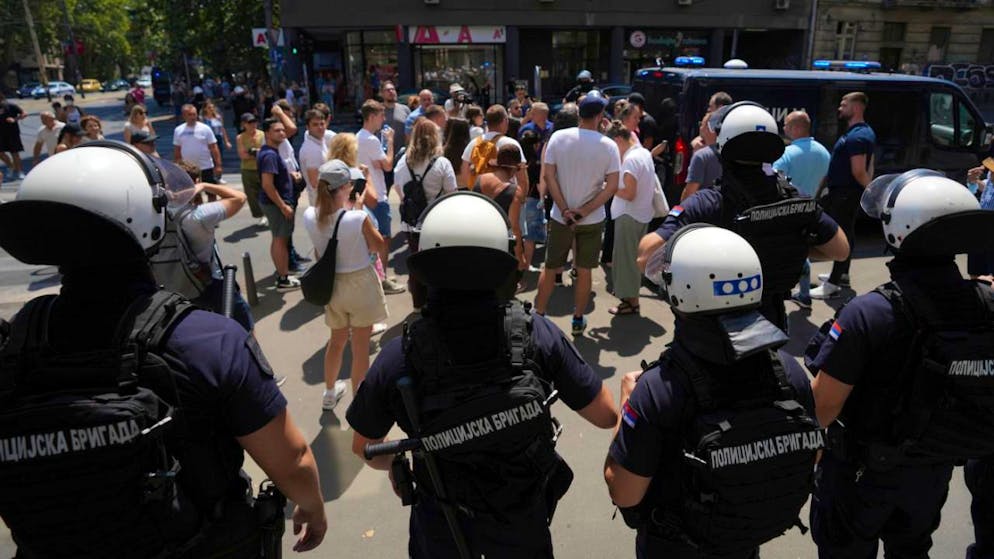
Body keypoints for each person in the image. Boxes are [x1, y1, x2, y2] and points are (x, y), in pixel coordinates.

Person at [0, 142, 326, 556]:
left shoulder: (18, 340)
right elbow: (293, 458)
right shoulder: (208, 341)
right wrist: (313, 508)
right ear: (145, 217)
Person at [346, 191, 619, 559]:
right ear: (502, 262)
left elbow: (364, 446)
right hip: (521, 529)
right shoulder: (537, 334)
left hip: (442, 532)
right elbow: (605, 415)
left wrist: (398, 463)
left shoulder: (400, 355)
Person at [805, 169, 994, 558]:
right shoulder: (984, 302)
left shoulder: (869, 313)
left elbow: (822, 408)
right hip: (932, 471)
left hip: (860, 474)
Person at [607, 225, 822, 559]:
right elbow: (811, 450)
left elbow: (624, 493)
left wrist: (626, 406)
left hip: (676, 546)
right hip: (743, 540)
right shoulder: (788, 370)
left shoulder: (658, 389)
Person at [637, 102, 849, 331]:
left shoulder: (707, 204)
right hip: (771, 326)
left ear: (723, 144)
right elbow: (840, 250)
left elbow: (645, 257)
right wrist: (792, 244)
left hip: (712, 330)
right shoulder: (795, 200)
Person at [303, 160, 388, 410]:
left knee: (336, 341)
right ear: (344, 188)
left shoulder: (309, 215)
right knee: (360, 348)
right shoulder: (357, 217)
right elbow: (378, 245)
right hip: (360, 282)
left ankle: (330, 392)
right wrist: (358, 210)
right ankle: (360, 402)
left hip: (332, 286)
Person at [534, 91, 620, 335]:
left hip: (561, 216)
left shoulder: (558, 138)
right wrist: (582, 212)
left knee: (551, 267)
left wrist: (564, 209)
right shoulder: (608, 146)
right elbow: (612, 187)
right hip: (591, 219)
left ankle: (538, 316)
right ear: (601, 115)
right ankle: (578, 319)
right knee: (584, 270)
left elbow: (549, 175)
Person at [811, 92, 876, 299]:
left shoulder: (858, 136)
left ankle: (833, 284)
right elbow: (870, 165)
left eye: (844, 104)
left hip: (846, 194)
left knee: (841, 235)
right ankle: (843, 274)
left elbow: (859, 171)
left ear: (856, 107)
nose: (840, 108)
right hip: (841, 193)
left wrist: (873, 193)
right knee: (847, 232)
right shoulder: (860, 132)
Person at [395, 119, 458, 307]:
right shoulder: (442, 163)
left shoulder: (403, 161)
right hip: (436, 221)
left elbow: (399, 190)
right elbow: (452, 193)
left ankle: (418, 304)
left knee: (416, 264)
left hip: (411, 222)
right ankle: (438, 303)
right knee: (439, 263)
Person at [773, 110, 831, 309]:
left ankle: (781, 294)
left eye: (787, 125)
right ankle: (804, 293)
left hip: (786, 211)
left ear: (797, 128)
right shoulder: (824, 152)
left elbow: (774, 180)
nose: (783, 128)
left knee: (781, 252)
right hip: (810, 209)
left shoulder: (786, 154)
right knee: (803, 250)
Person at [603, 120, 655, 316]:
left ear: (618, 140)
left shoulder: (630, 160)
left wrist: (608, 187)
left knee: (625, 261)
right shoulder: (643, 152)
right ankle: (632, 300)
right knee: (633, 259)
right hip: (640, 214)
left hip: (629, 216)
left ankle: (630, 303)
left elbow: (629, 193)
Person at [357, 99, 405, 295]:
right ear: (371, 117)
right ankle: (382, 279)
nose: (384, 119)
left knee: (373, 240)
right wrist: (391, 142)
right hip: (377, 193)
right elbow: (386, 165)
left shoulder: (359, 137)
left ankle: (378, 277)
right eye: (381, 116)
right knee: (383, 239)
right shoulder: (371, 139)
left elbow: (378, 163)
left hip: (367, 192)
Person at [473, 144, 527, 298]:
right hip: (500, 246)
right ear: (515, 168)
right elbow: (514, 227)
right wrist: (520, 255)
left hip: (477, 240)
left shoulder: (479, 179)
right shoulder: (514, 192)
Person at [257, 117, 301, 290]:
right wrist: (283, 206)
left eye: (283, 130)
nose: (282, 133)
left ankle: (282, 274)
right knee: (279, 240)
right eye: (277, 130)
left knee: (279, 239)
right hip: (276, 204)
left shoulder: (272, 151)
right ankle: (283, 279)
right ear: (267, 133)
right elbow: (267, 184)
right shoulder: (269, 155)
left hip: (276, 203)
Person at [517, 102, 553, 271]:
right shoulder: (526, 130)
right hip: (531, 178)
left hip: (547, 174)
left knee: (544, 211)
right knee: (530, 220)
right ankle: (526, 258)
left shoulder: (552, 129)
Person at [460, 105, 528, 191]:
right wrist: (520, 199)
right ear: (505, 121)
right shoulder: (511, 144)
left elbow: (464, 171)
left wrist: (476, 190)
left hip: (480, 196)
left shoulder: (474, 143)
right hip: (504, 196)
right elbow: (522, 178)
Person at [173, 104, 222, 185]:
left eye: (194, 114)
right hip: (188, 169)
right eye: (189, 114)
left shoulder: (205, 128)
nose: (193, 117)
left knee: (211, 193)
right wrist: (177, 167)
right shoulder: (178, 130)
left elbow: (214, 147)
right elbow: (177, 150)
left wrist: (218, 165)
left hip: (206, 167)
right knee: (194, 194)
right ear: (184, 116)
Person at [680, 111, 721, 202]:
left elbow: (688, 195)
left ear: (709, 128)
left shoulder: (701, 156)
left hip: (703, 211)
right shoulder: (730, 152)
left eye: (701, 124)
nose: (700, 128)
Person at [237, 113, 267, 226]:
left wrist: (254, 152)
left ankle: (267, 214)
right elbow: (242, 155)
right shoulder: (240, 137)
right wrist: (257, 153)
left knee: (265, 191)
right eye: (250, 122)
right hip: (247, 169)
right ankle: (260, 214)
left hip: (262, 168)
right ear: (244, 124)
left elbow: (265, 151)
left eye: (254, 122)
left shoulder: (263, 135)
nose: (253, 124)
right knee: (251, 194)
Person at [299, 108, 332, 208]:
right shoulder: (312, 149)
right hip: (322, 203)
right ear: (307, 127)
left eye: (322, 124)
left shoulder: (320, 142)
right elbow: (315, 182)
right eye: (315, 124)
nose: (320, 127)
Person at [0, 92, 27, 180]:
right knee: (1, 153)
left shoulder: (10, 105)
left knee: (15, 153)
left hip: (12, 133)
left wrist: (15, 119)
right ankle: (11, 166)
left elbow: (24, 114)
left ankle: (19, 172)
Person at [381, 81, 411, 151]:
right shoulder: (377, 110)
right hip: (383, 155)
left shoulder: (405, 109)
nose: (391, 92)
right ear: (382, 94)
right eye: (388, 90)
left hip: (402, 153)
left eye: (393, 89)